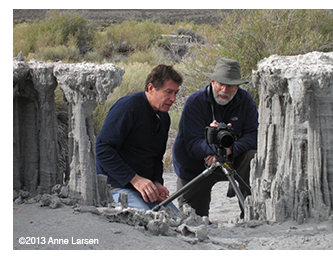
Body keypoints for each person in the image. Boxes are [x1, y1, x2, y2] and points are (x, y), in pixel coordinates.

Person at [172, 58, 258, 218]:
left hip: (232, 159)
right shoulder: (195, 102)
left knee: (253, 157)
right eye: (220, 84)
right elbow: (191, 144)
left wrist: (229, 149)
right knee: (194, 219)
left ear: (238, 86)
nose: (224, 90)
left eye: (231, 85)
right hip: (196, 165)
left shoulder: (245, 101)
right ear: (212, 81)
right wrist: (212, 146)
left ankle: (251, 213)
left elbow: (254, 136)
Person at [96, 64, 183, 211]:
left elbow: (156, 157)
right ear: (150, 88)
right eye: (168, 92)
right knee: (148, 219)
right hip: (115, 186)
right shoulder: (128, 108)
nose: (173, 99)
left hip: (144, 189)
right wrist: (135, 179)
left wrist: (156, 182)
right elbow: (102, 149)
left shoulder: (164, 117)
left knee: (177, 218)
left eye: (176, 93)